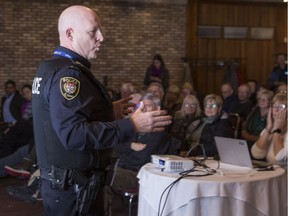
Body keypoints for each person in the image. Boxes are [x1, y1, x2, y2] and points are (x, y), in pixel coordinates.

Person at [31, 5, 171, 216]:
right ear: (70, 33)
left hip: (66, 187)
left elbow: (57, 118)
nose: (101, 37)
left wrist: (106, 111)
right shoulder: (69, 76)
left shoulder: (50, 67)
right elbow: (73, 135)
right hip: (73, 191)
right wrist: (132, 124)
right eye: (92, 31)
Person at [104, 93, 180, 216]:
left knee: (104, 178)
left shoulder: (160, 130)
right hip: (122, 168)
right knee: (100, 179)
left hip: (139, 174)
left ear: (157, 109)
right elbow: (115, 145)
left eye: (148, 106)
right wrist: (130, 146)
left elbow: (142, 157)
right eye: (141, 105)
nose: (143, 109)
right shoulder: (137, 127)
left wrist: (125, 150)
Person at [251, 93, 287, 166]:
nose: (276, 110)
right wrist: (268, 128)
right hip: (273, 172)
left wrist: (277, 130)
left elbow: (280, 158)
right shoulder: (271, 127)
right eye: (274, 106)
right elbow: (256, 154)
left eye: (281, 106)